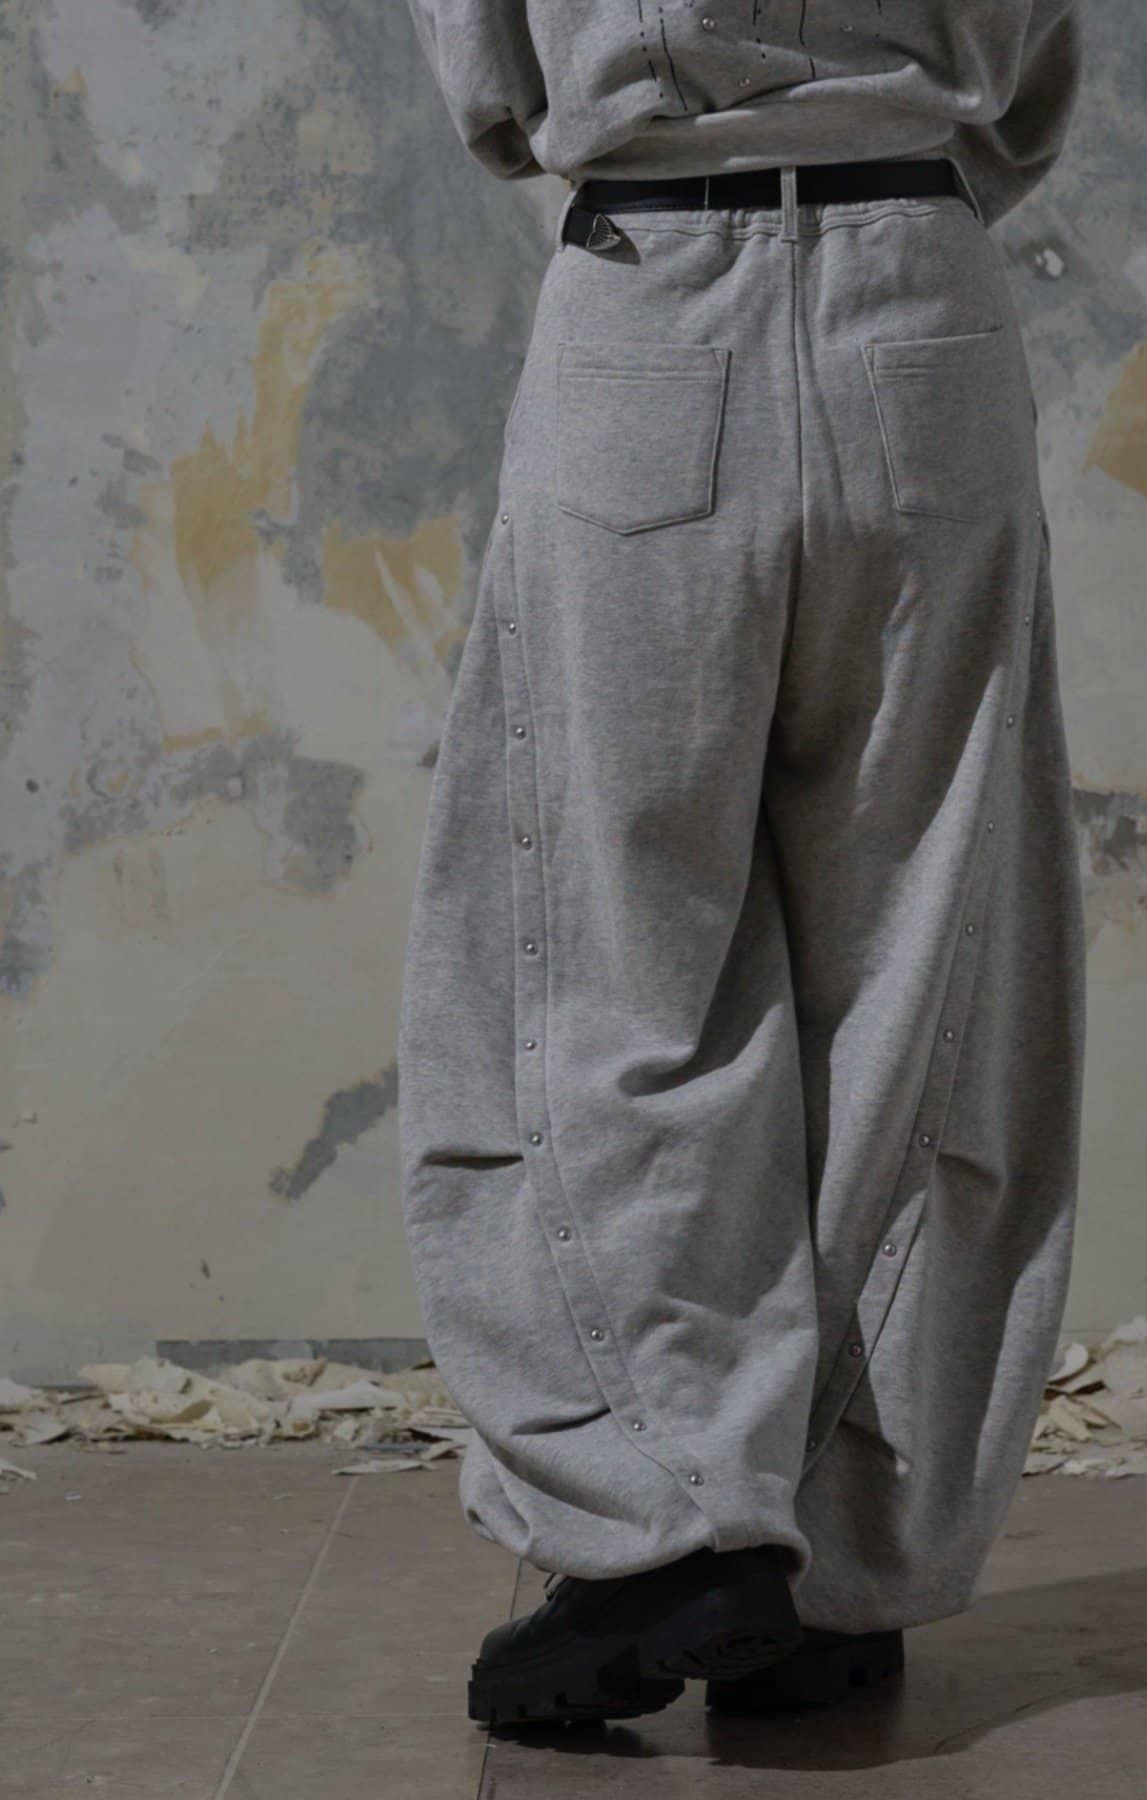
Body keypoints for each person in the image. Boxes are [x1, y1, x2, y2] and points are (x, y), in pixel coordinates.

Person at [397, 0, 1087, 1730]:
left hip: (653, 281)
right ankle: (849, 1567)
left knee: (605, 947)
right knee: (925, 966)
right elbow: (1031, 71)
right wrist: (889, 140)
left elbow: (492, 77)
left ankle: (677, 1522)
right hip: (924, 301)